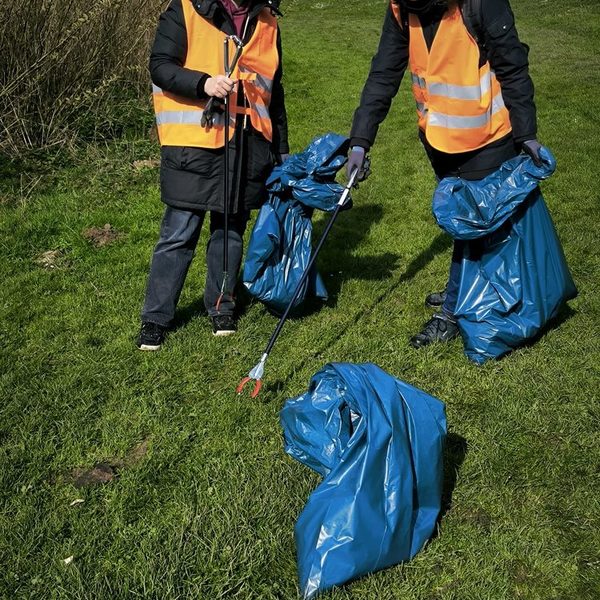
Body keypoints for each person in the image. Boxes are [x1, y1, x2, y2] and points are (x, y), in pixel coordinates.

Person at [347, 0, 542, 348]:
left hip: (487, 136)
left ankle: (452, 313)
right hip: (437, 138)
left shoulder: (480, 4)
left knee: (473, 225)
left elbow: (512, 65)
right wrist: (361, 140)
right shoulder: (402, 8)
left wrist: (526, 133)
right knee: (465, 227)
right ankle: (466, 288)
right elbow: (384, 72)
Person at [137, 0, 288, 350]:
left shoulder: (267, 22)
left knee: (230, 232)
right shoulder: (186, 9)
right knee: (179, 232)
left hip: (248, 145)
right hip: (194, 143)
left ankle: (222, 306)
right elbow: (160, 66)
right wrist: (202, 84)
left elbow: (273, 94)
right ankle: (155, 318)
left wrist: (281, 152)